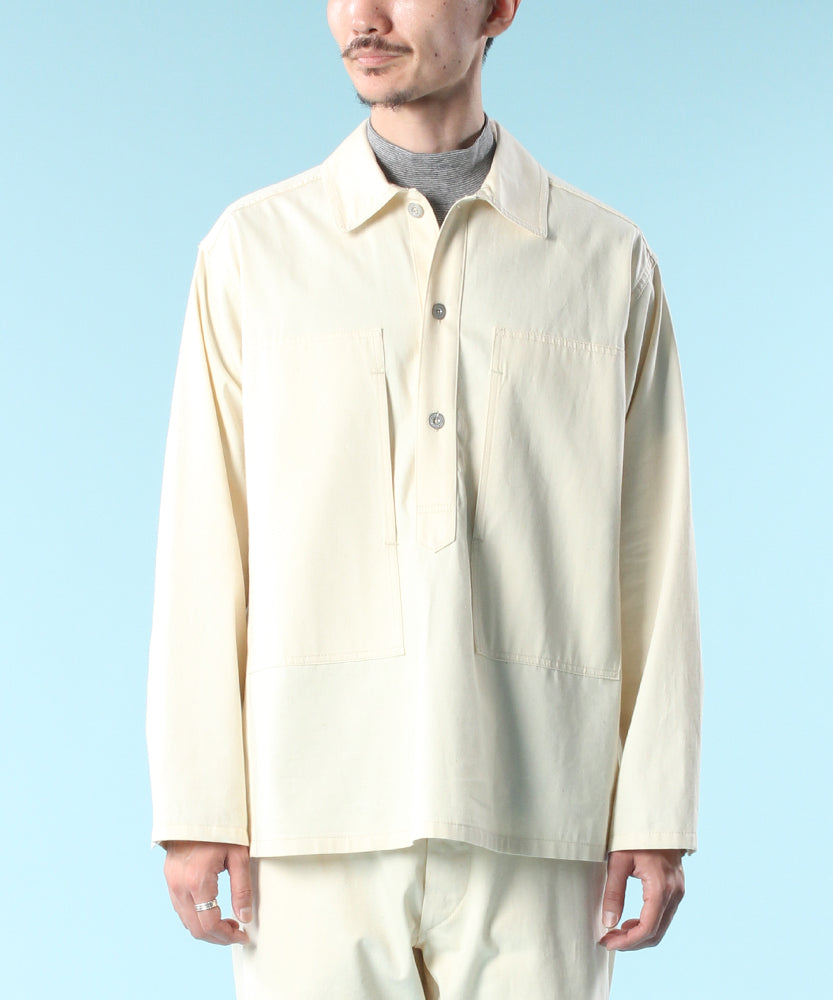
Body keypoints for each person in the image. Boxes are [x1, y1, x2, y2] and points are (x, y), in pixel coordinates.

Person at [146, 2, 703, 997]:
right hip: (307, 810)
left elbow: (652, 551)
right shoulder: (252, 253)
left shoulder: (604, 261)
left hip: (540, 804)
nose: (362, 17)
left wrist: (654, 809)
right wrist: (197, 802)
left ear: (497, 9)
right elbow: (204, 536)